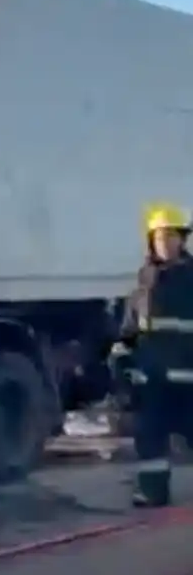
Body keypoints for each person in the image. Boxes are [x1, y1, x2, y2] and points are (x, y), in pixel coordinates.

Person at [112, 201, 193, 508]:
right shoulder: (143, 288)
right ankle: (152, 491)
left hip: (189, 380)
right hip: (154, 381)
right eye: (159, 237)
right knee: (149, 436)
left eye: (171, 236)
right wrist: (122, 364)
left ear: (183, 240)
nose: (165, 243)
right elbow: (128, 333)